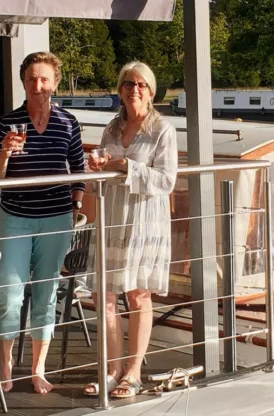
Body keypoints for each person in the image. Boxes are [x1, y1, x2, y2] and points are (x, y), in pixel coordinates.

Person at [0, 51, 86, 394]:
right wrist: (4, 154)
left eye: (44, 79)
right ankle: (6, 364)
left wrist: (76, 204)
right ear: (23, 82)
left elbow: (78, 170)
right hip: (16, 218)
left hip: (56, 218)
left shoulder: (68, 123)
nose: (37, 85)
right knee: (9, 295)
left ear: (55, 83)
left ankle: (38, 368)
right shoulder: (7, 123)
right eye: (31, 79)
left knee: (46, 293)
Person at [84, 61, 178, 399]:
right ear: (120, 90)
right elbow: (100, 174)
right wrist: (96, 168)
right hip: (112, 218)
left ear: (151, 92)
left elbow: (167, 181)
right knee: (104, 296)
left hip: (144, 221)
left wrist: (126, 166)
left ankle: (134, 372)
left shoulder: (162, 130)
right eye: (127, 84)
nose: (133, 90)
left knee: (138, 295)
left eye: (140, 85)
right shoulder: (111, 128)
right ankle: (113, 370)